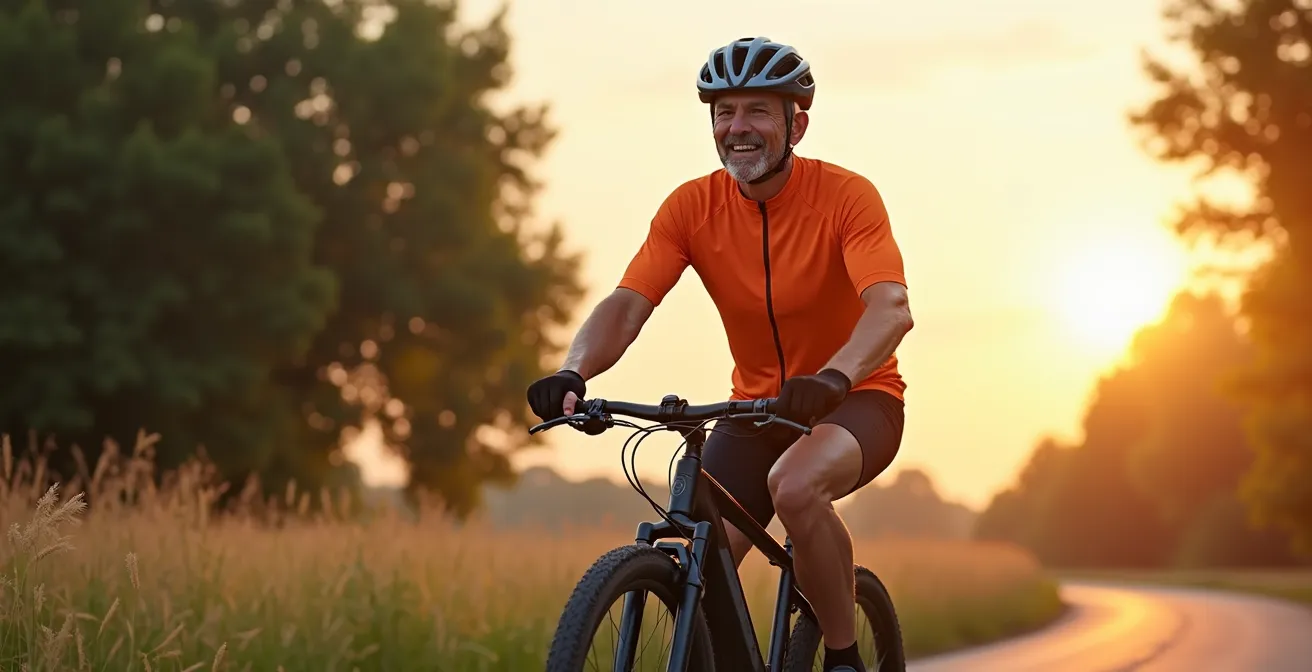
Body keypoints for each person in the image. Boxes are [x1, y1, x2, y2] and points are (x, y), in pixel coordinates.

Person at [526, 36, 913, 672]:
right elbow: (628, 303)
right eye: (723, 112)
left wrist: (835, 376)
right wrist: (575, 369)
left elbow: (891, 307)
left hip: (857, 400)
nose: (738, 127)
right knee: (702, 567)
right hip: (755, 410)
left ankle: (843, 657)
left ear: (797, 123)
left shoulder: (847, 198)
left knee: (795, 485)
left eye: (759, 110)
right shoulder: (691, 207)